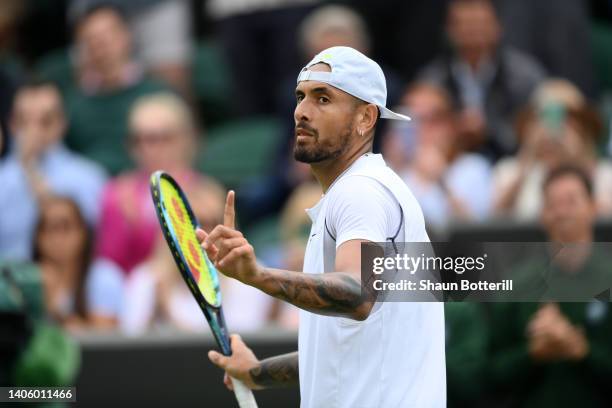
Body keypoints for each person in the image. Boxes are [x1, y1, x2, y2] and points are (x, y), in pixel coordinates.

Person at [199, 46, 446, 407]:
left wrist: (258, 276)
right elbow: (338, 354)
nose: (301, 112)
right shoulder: (367, 191)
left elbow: (358, 294)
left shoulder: (361, 191)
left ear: (365, 118)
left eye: (323, 99)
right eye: (301, 97)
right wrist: (256, 373)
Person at [488, 165, 612, 406]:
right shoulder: (518, 285)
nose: (562, 212)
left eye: (571, 201)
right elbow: (490, 374)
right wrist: (532, 353)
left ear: (593, 207)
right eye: (553, 204)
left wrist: (581, 350)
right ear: (543, 214)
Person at [95, 92, 223, 274]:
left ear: (184, 138)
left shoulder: (206, 192)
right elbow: (109, 266)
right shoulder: (116, 194)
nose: (149, 149)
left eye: (160, 138)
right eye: (139, 140)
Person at [419, 0, 545, 161]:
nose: (472, 32)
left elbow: (532, 131)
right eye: (465, 25)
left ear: (497, 27)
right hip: (447, 163)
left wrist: (490, 130)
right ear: (449, 30)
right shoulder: (433, 79)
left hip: (511, 163)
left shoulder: (524, 77)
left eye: (479, 24)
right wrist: (454, 131)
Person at [0, 80, 106, 261]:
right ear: (11, 124)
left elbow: (87, 245)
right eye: (24, 121)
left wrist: (30, 170)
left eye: (45, 121)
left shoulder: (90, 178)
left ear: (62, 123)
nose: (34, 130)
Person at [62, 4, 169, 174]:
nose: (100, 46)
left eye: (106, 36)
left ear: (127, 36)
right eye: (90, 40)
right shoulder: (73, 104)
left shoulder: (158, 94)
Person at [493, 79, 612, 220]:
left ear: (583, 130)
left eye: (568, 119)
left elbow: (604, 220)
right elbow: (494, 219)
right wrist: (527, 156)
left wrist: (576, 156)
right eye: (544, 118)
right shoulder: (508, 170)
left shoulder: (605, 174)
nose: (554, 129)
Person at [383, 82, 492, 230]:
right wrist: (395, 169)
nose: (421, 129)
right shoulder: (388, 171)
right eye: (411, 119)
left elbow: (479, 235)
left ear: (451, 125)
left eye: (432, 119)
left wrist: (442, 181)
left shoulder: (473, 168)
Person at [33, 195, 124, 330]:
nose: (57, 238)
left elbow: (104, 339)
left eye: (66, 227)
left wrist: (54, 308)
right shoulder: (29, 279)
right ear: (38, 237)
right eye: (49, 229)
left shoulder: (104, 277)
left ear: (83, 233)